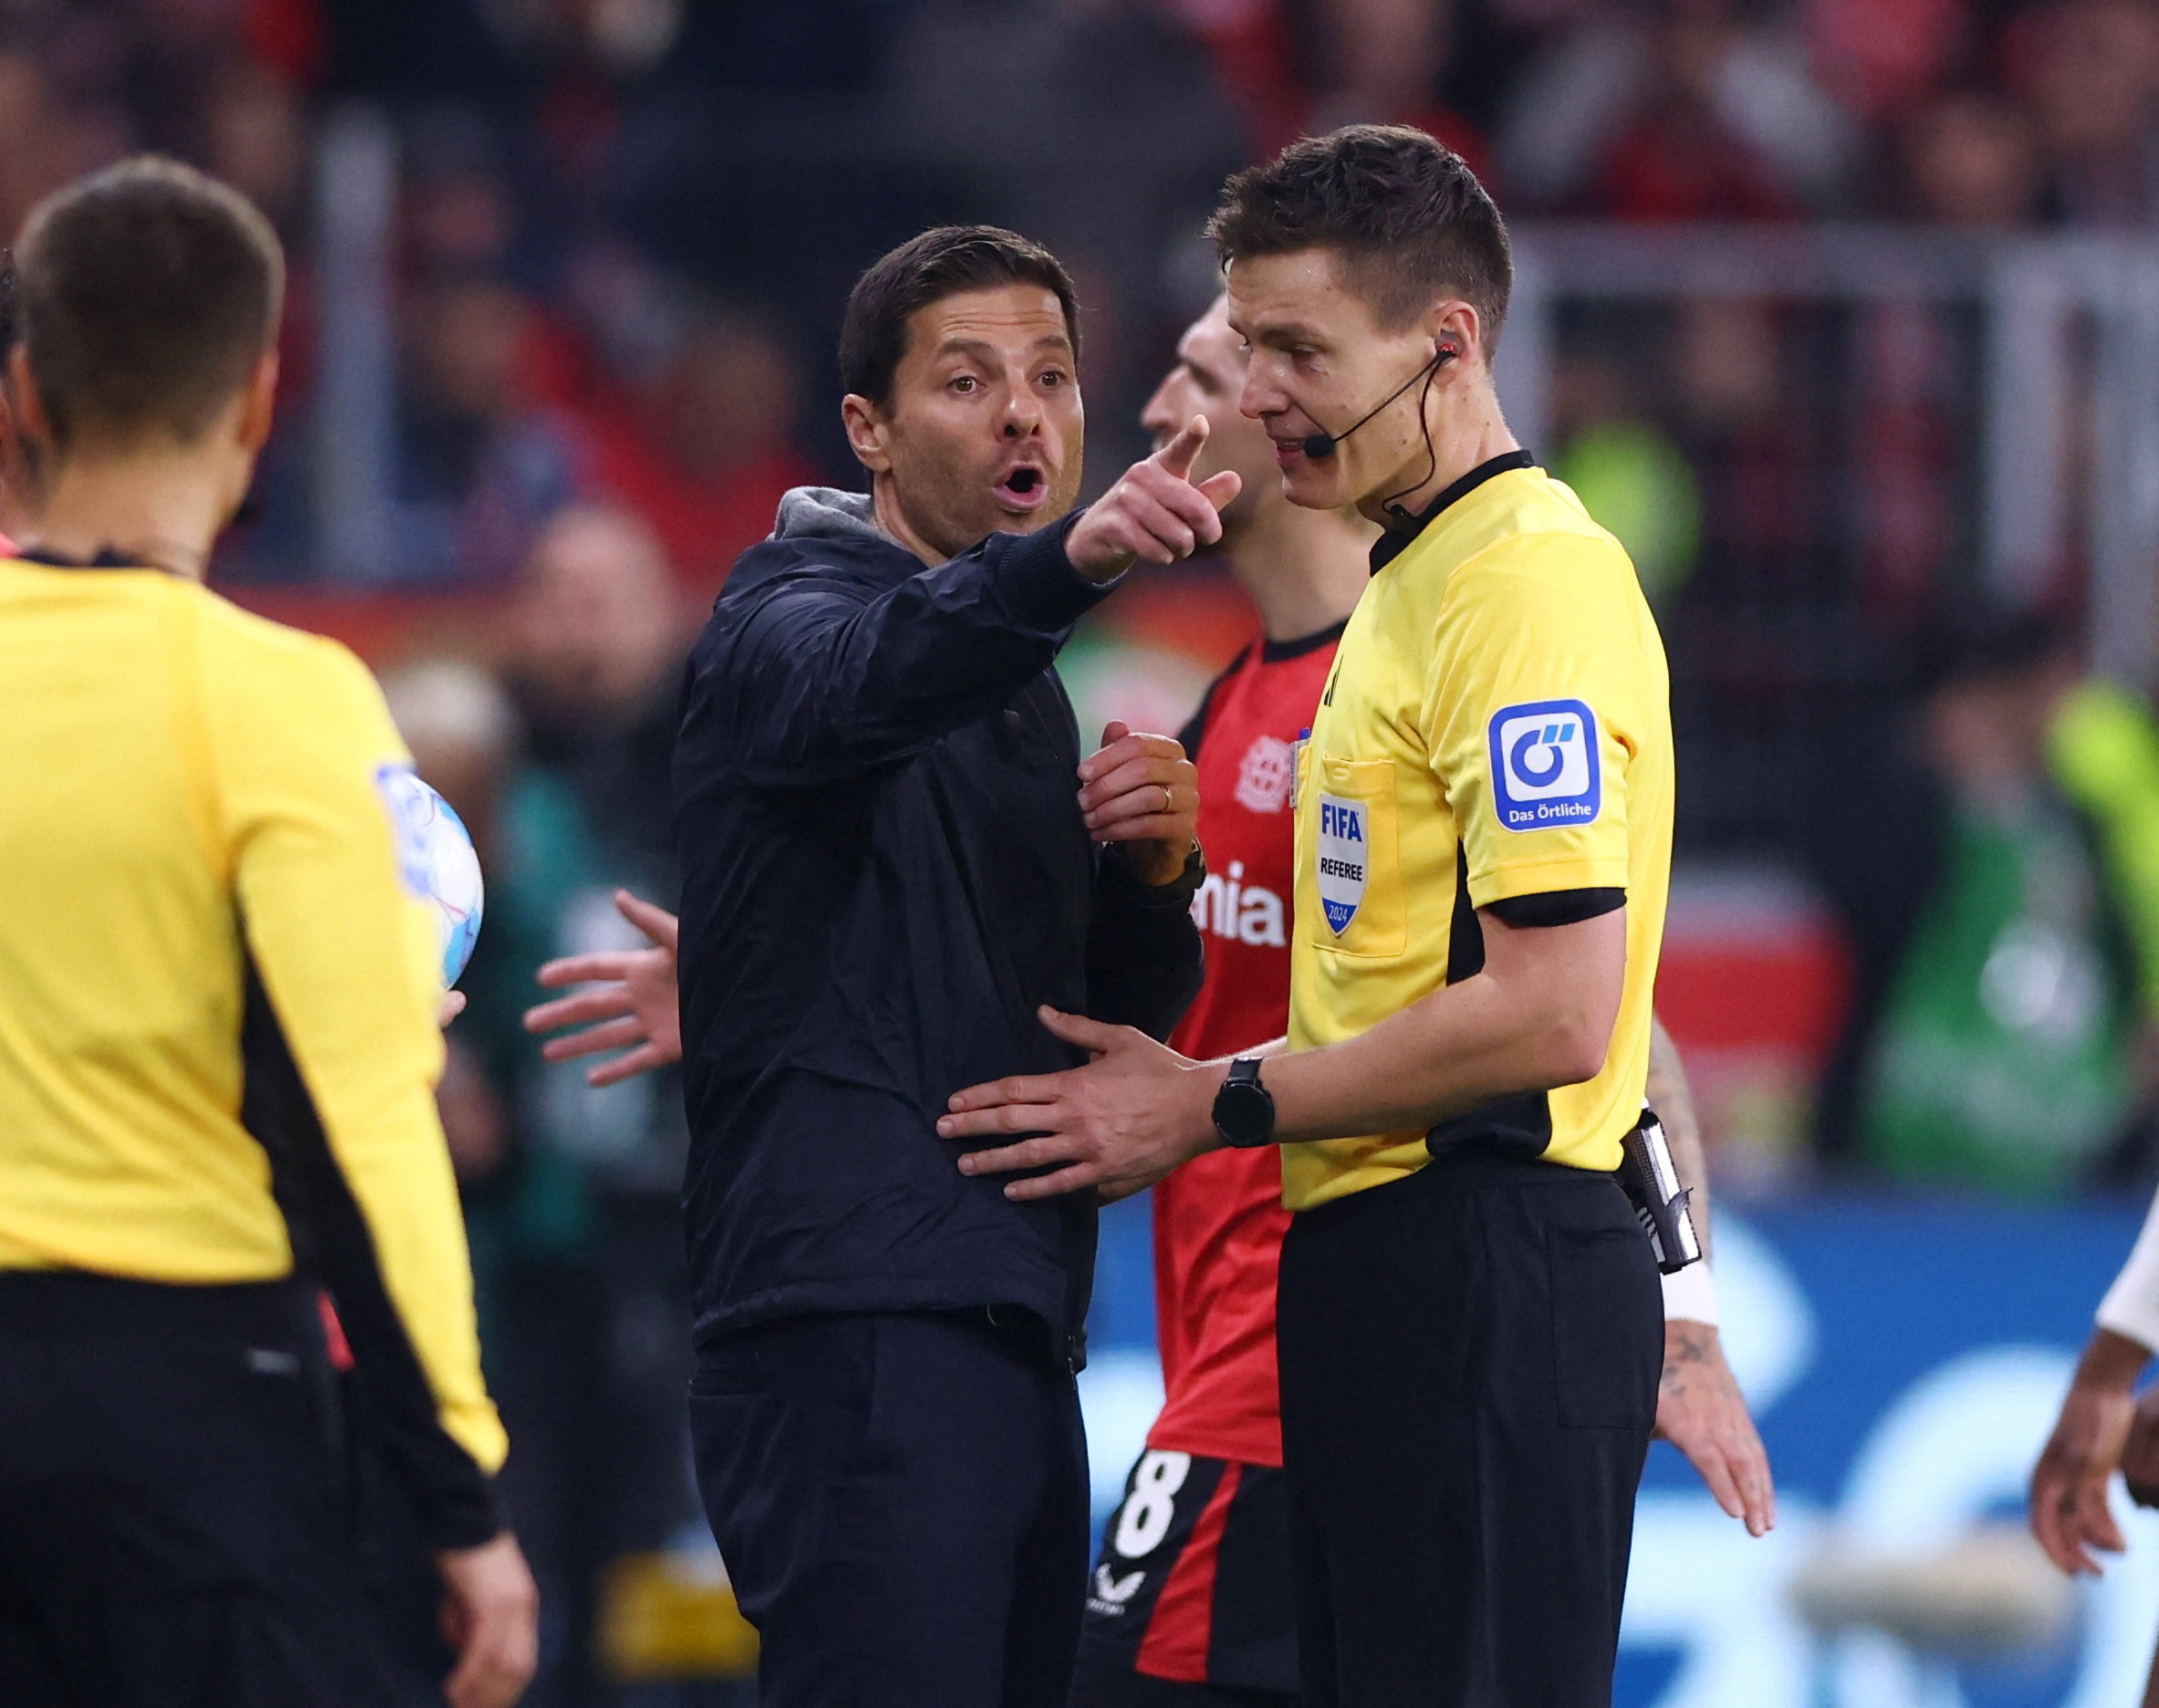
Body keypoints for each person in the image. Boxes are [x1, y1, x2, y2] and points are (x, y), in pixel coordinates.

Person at [530, 286, 1772, 1708]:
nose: (1157, 412)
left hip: (1318, 1357)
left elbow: (1612, 1026)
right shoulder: (1209, 717)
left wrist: (1683, 1323)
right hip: (1215, 1354)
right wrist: (775, 986)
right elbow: (1092, 1020)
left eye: (1211, 376)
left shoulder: (1413, 684)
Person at [938, 126, 1674, 1707]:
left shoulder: (1523, 591)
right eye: (1247, 346)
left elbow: (1565, 1006)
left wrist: (1211, 1103)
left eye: (1296, 351)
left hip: (1486, 1262)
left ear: (1446, 344)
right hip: (1368, 1271)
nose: (1256, 392)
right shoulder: (1409, 585)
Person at [668, 224, 1229, 1707]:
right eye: (968, 382)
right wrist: (1071, 562)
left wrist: (1149, 875)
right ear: (868, 429)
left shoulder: (1019, 692)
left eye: (1050, 377)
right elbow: (866, 679)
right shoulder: (778, 614)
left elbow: (1091, 1029)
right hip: (855, 1323)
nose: (1022, 415)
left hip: (1004, 1318)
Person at [0, 157, 536, 1708]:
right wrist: (457, 1485)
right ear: (257, 401)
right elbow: (360, 1123)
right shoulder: (282, 702)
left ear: (26, 393)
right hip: (180, 1398)